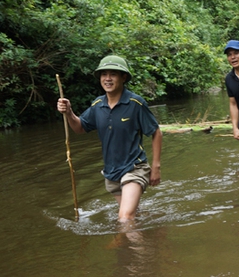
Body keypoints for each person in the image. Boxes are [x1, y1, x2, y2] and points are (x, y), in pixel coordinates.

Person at [57, 55, 162, 222]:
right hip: (112, 172)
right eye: (104, 74)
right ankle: (152, 237)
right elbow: (80, 128)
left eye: (113, 74)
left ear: (123, 77)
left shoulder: (135, 103)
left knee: (125, 218)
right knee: (134, 217)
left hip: (135, 168)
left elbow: (156, 132)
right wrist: (69, 112)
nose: (107, 78)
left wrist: (155, 167)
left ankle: (119, 244)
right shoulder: (97, 105)